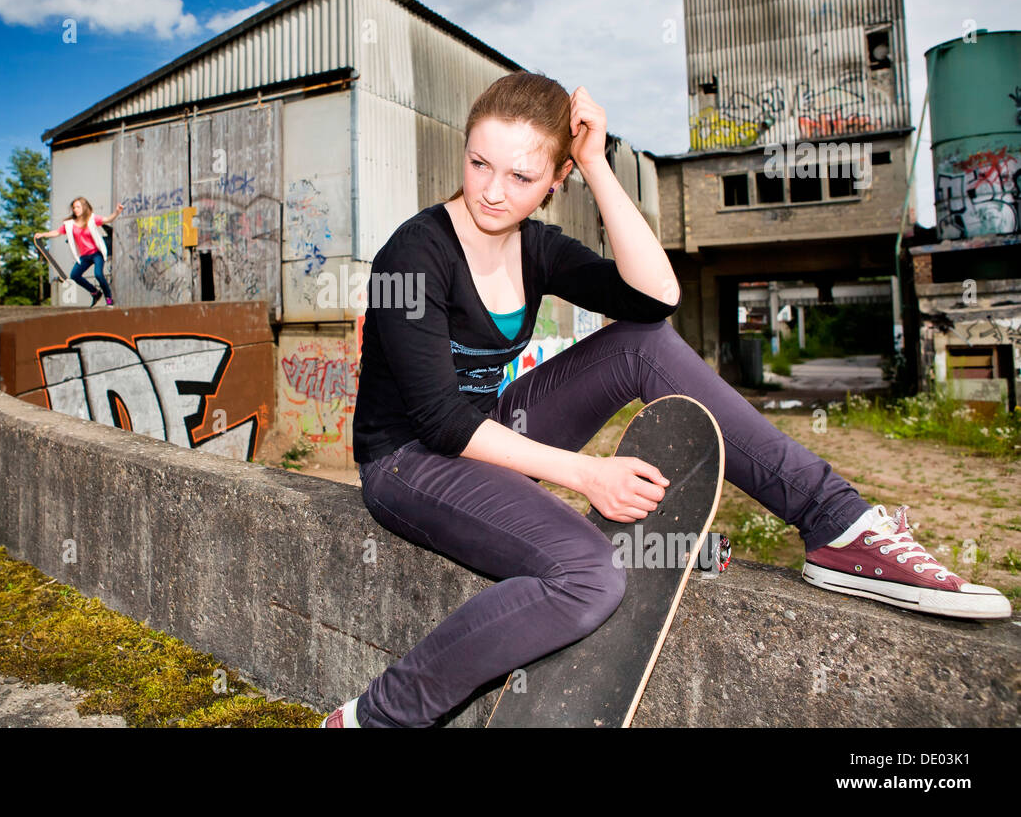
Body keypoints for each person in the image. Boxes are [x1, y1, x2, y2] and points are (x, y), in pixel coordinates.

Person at [319, 72, 1011, 729]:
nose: (493, 191)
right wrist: (587, 473)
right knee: (588, 578)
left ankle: (839, 526)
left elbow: (656, 297)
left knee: (641, 343)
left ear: (555, 180)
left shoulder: (538, 247)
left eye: (523, 175)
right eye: (479, 164)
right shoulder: (414, 254)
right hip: (409, 461)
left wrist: (597, 164)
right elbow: (440, 421)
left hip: (487, 435)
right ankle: (373, 717)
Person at [35, 197, 123, 307]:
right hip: (84, 256)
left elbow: (107, 220)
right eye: (74, 207)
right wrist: (43, 234)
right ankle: (95, 293)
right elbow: (57, 232)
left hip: (96, 254)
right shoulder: (69, 224)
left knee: (99, 274)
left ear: (84, 207)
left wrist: (117, 212)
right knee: (75, 275)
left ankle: (109, 299)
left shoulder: (91, 219)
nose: (75, 209)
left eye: (78, 207)